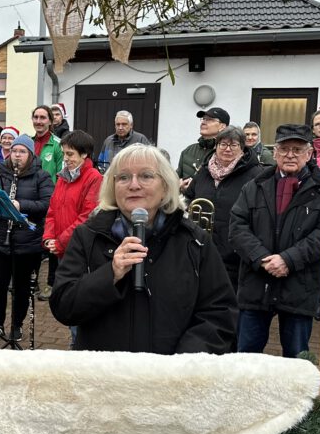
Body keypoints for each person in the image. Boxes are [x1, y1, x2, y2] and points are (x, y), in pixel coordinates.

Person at [50, 144, 236, 353]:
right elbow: (63, 306)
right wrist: (109, 274)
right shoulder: (88, 236)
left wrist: (182, 363)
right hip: (104, 377)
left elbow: (219, 313)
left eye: (146, 176)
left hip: (170, 378)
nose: (134, 185)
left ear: (165, 185)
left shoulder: (194, 241)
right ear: (113, 187)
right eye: (123, 177)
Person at [229, 124, 320, 358]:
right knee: (246, 358)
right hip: (257, 284)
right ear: (274, 153)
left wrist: (288, 260)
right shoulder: (254, 186)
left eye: (297, 149)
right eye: (284, 149)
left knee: (296, 360)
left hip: (299, 285)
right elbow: (237, 227)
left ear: (309, 153)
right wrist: (262, 259)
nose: (290, 155)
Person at [0, 135, 54, 342]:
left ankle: (17, 325)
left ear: (30, 155)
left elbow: (47, 205)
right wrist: (0, 206)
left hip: (27, 243)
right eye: (15, 151)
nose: (17, 155)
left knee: (21, 288)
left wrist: (20, 205)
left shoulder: (41, 176)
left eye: (22, 152)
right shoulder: (1, 173)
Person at [183, 126, 264, 291]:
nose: (227, 149)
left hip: (235, 254)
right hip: (202, 250)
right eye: (223, 144)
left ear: (242, 148)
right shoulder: (204, 172)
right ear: (216, 146)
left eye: (233, 145)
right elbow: (188, 198)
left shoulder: (255, 174)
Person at [43, 130, 103, 348]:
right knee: (68, 298)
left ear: (84, 155)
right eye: (64, 154)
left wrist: (60, 241)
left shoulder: (93, 178)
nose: (66, 159)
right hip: (62, 249)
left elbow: (87, 217)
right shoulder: (63, 177)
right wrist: (49, 236)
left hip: (81, 251)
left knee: (80, 300)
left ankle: (81, 345)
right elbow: (52, 210)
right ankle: (76, 341)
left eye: (70, 154)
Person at [31, 105, 65, 300]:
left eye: (43, 118)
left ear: (50, 121)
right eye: (36, 117)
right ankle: (32, 281)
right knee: (33, 244)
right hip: (29, 201)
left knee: (52, 245)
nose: (39, 121)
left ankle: (52, 283)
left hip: (51, 203)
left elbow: (61, 176)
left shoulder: (58, 144)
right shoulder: (27, 142)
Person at [178, 107, 229, 181]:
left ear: (222, 126)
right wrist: (180, 185)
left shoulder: (227, 152)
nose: (203, 122)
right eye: (203, 119)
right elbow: (176, 178)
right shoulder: (188, 150)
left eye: (209, 119)